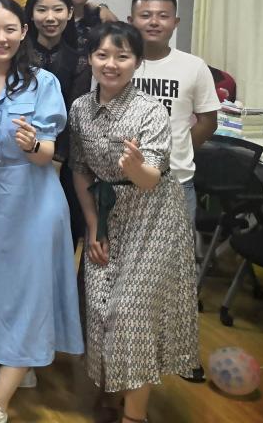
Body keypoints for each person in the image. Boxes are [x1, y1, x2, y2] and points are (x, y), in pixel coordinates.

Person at [0, 0, 83, 423]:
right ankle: (12, 366)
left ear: (24, 32)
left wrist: (30, 146)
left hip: (36, 199)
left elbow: (47, 154)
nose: (0, 38)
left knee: (30, 292)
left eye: (9, 29)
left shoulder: (43, 83)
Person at [69, 22, 199, 423]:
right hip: (106, 214)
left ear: (138, 62)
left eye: (122, 56)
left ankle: (134, 415)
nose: (111, 64)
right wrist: (94, 225)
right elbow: (80, 170)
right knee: (100, 307)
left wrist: (136, 167)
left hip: (153, 218)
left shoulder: (151, 110)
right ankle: (113, 392)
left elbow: (151, 179)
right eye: (103, 55)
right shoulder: (79, 109)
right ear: (90, 59)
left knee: (131, 314)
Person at [128, 0, 219, 225]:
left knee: (177, 249)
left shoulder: (194, 66)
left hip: (176, 180)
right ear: (131, 21)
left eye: (163, 16)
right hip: (124, 179)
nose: (154, 22)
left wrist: (180, 148)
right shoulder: (117, 63)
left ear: (175, 23)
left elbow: (208, 121)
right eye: (145, 15)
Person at [24, 0, 90, 248]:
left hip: (63, 157)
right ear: (30, 14)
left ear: (70, 13)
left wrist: (58, 157)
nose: (50, 18)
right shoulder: (18, 55)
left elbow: (74, 113)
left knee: (59, 228)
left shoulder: (80, 59)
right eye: (41, 10)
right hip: (19, 149)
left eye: (58, 10)